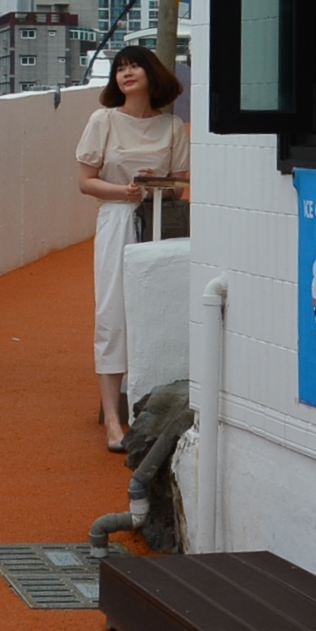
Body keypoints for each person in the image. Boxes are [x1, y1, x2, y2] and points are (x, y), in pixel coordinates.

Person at [75, 45, 189, 452]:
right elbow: (86, 181)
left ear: (151, 74)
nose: (126, 74)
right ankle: (112, 419)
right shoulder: (103, 120)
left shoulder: (172, 127)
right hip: (117, 219)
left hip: (158, 220)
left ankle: (151, 410)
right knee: (113, 311)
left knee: (160, 306)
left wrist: (154, 184)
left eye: (134, 66)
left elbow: (179, 184)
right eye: (120, 69)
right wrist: (123, 191)